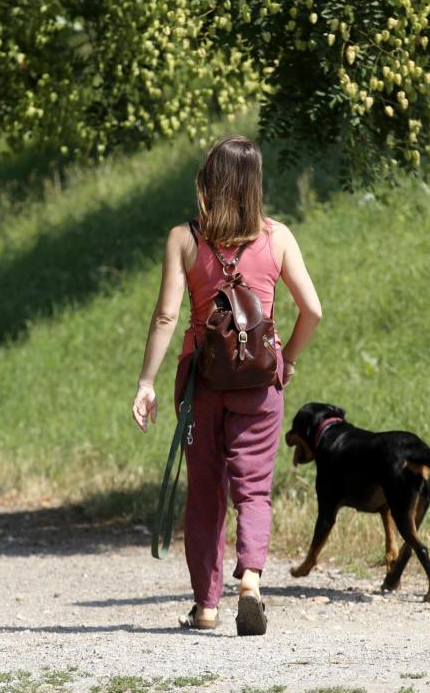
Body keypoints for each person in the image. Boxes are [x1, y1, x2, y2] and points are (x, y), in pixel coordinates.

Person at [131, 134, 323, 636]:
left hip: (200, 384)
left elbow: (167, 315)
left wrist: (146, 382)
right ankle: (252, 583)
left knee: (206, 495)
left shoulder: (184, 238)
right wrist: (287, 361)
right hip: (260, 383)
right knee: (253, 489)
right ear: (254, 184)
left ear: (208, 181)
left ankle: (206, 607)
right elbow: (313, 310)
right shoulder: (277, 237)